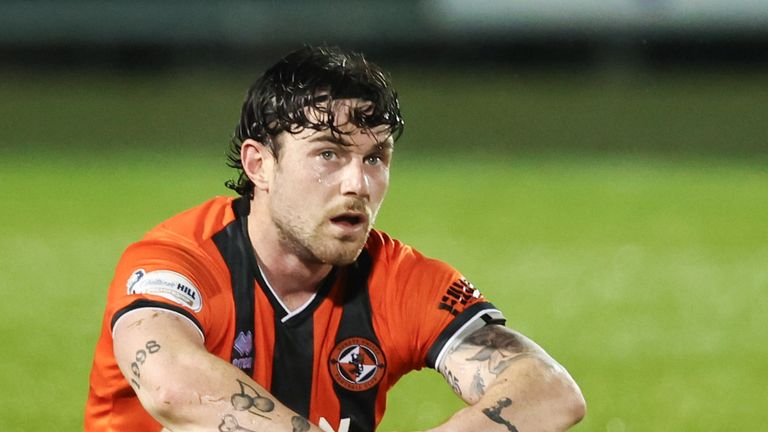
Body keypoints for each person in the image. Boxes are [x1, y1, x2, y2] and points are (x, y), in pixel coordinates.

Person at [84, 45, 585, 432]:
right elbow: (169, 383)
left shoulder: (398, 280)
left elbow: (551, 391)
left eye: (375, 158)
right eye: (328, 154)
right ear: (260, 164)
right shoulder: (179, 261)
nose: (357, 183)